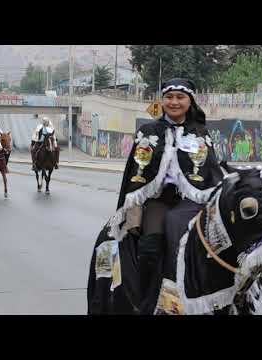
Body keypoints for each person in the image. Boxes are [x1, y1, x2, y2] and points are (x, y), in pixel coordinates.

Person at [87, 78, 224, 315]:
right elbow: (136, 174)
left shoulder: (201, 133)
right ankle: (146, 299)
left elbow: (212, 172)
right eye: (169, 97)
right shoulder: (148, 132)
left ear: (190, 101)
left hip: (192, 203)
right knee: (150, 246)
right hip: (158, 202)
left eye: (180, 97)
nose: (174, 102)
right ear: (162, 101)